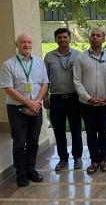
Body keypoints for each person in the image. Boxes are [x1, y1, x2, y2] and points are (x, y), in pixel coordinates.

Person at [0, 34, 49, 187]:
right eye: (23, 42)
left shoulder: (39, 63)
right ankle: (20, 173)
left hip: (36, 107)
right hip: (17, 109)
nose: (26, 45)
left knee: (34, 141)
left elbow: (44, 83)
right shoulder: (9, 64)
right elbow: (8, 88)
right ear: (17, 44)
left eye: (29, 42)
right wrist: (29, 103)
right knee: (20, 142)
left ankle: (31, 169)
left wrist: (36, 103)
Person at [73, 28, 106, 175]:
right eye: (92, 35)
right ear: (89, 39)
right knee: (91, 132)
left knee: (104, 131)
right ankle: (94, 160)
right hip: (86, 104)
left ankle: (103, 159)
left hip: (105, 103)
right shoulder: (81, 58)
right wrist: (88, 98)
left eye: (98, 35)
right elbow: (77, 81)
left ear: (103, 39)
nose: (95, 37)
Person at [44, 28, 83, 171]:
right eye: (59, 37)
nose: (62, 40)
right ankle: (62, 158)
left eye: (65, 37)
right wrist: (45, 96)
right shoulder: (49, 56)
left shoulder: (78, 55)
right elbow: (44, 79)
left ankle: (77, 157)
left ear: (70, 38)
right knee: (59, 130)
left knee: (76, 129)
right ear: (56, 39)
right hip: (56, 99)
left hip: (74, 98)